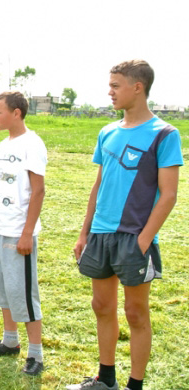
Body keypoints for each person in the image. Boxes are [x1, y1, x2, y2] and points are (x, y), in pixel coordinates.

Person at [68, 60, 183, 390]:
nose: (110, 91)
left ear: (138, 87)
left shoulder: (164, 134)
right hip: (100, 236)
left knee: (135, 313)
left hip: (135, 238)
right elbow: (98, 185)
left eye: (116, 85)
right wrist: (84, 232)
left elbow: (169, 195)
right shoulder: (107, 131)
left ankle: (135, 384)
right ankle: (105, 379)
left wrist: (144, 241)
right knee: (101, 306)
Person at [0, 91, 47, 376]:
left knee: (24, 293)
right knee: (3, 288)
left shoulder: (33, 144)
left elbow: (38, 190)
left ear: (17, 113)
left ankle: (36, 353)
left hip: (18, 233)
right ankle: (10, 341)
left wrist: (27, 233)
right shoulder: (4, 144)